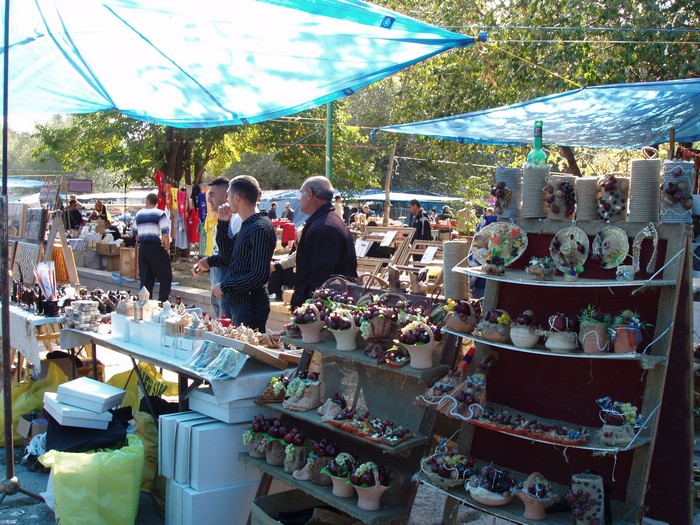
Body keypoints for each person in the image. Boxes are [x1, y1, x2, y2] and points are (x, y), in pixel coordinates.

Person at [209, 176, 276, 331]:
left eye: (228, 195)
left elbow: (259, 275)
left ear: (237, 198)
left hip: (250, 305)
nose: (226, 199)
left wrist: (225, 285)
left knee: (247, 351)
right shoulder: (249, 224)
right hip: (241, 303)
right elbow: (227, 255)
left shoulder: (260, 227)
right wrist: (223, 223)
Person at [291, 176, 357, 307]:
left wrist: (305, 309)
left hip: (322, 312)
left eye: (301, 193)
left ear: (309, 194)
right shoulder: (326, 221)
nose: (299, 199)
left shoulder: (323, 228)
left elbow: (321, 279)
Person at [191, 177, 241, 318]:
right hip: (216, 288)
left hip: (229, 292)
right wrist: (206, 263)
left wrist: (208, 262)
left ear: (226, 196)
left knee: (227, 336)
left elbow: (236, 257)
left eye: (212, 195)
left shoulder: (236, 220)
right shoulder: (221, 220)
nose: (208, 200)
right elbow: (222, 253)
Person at [133, 193, 172, 302]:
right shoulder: (160, 214)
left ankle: (144, 302)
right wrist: (167, 248)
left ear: (147, 201)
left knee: (146, 278)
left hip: (143, 247)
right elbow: (165, 233)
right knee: (165, 275)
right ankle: (163, 302)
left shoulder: (139, 214)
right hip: (155, 246)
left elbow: (136, 234)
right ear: (157, 202)